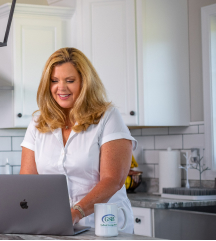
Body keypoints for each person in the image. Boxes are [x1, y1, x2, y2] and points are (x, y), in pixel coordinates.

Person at [19, 47, 136, 233]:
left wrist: (76, 212)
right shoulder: (38, 123)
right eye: (54, 81)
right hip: (57, 227)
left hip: (105, 226)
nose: (61, 88)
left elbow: (113, 179)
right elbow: (28, 181)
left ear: (85, 82)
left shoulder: (108, 117)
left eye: (70, 81)